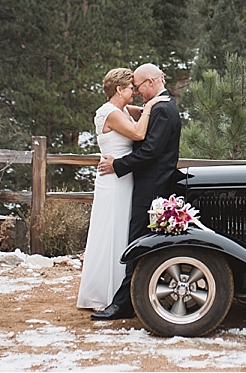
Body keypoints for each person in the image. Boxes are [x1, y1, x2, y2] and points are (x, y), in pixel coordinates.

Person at [91, 63, 182, 321]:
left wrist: (118, 165)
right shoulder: (160, 106)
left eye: (139, 87)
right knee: (131, 239)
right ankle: (126, 296)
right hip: (136, 183)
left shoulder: (161, 109)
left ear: (151, 83)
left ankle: (124, 303)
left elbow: (149, 151)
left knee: (135, 242)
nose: (137, 92)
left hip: (149, 185)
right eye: (132, 88)